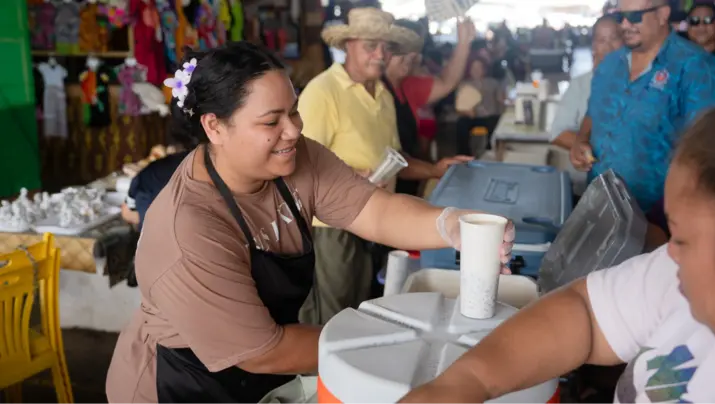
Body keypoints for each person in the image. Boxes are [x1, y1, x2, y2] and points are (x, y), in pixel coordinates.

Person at [105, 41, 514, 404]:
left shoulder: (296, 158)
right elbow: (263, 351)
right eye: (272, 121)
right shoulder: (189, 228)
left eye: (295, 111)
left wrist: (451, 225)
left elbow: (373, 209)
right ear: (214, 126)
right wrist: (390, 343)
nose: (294, 130)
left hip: (256, 373)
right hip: (178, 383)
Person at [400, 61, 715, 404]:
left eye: (684, 240)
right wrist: (466, 382)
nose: (668, 251)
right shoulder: (681, 277)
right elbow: (587, 313)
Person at [297, 8, 472, 326]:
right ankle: (324, 375)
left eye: (385, 47)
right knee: (334, 317)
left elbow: (395, 160)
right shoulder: (323, 92)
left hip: (375, 219)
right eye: (370, 46)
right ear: (348, 45)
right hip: (333, 228)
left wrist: (434, 169)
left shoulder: (383, 96)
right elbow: (300, 166)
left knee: (362, 307)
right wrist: (353, 178)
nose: (380, 55)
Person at [569, 0, 715, 213]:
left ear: (663, 14)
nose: (624, 25)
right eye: (620, 17)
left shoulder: (696, 67)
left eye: (634, 17)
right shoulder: (610, 64)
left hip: (659, 217)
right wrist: (581, 139)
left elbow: (711, 149)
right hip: (599, 209)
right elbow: (593, 113)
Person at [383, 18, 476, 194]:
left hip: (407, 182)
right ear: (383, 52)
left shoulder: (407, 85)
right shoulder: (371, 90)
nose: (411, 56)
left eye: (414, 50)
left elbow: (448, 82)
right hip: (383, 192)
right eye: (400, 50)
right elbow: (386, 159)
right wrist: (433, 170)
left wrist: (464, 41)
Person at [549, 15, 621, 151]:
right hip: (598, 169)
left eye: (614, 38)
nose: (609, 47)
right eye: (601, 40)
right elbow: (558, 133)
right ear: (594, 46)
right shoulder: (581, 84)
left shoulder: (642, 82)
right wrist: (597, 149)